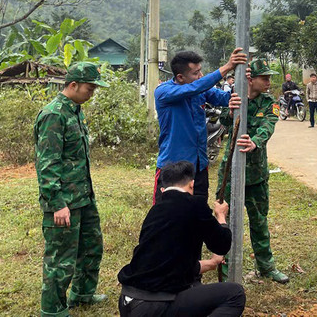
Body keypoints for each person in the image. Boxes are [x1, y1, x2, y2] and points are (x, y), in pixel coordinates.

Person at [117, 161, 246, 317]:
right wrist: (221, 217)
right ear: (192, 184)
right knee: (235, 294)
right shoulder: (195, 205)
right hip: (154, 307)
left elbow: (173, 265)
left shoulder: (155, 211)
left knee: (194, 285)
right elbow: (222, 245)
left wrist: (212, 264)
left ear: (164, 188)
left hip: (128, 302)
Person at [33, 62, 109, 317]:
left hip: (83, 196)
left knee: (92, 246)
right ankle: (53, 310)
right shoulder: (54, 115)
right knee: (60, 259)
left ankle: (83, 293)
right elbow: (47, 163)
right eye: (89, 88)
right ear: (73, 85)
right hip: (64, 200)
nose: (92, 94)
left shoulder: (76, 110)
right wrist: (57, 203)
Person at [217, 58, 289, 284]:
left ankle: (266, 267)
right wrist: (230, 112)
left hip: (256, 174)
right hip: (230, 173)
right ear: (250, 78)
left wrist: (255, 142)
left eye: (269, 78)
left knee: (259, 222)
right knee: (224, 221)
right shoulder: (235, 98)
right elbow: (223, 121)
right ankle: (225, 266)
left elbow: (268, 125)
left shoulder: (270, 102)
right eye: (264, 78)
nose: (268, 82)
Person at [153, 49, 246, 203]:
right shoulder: (164, 92)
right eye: (196, 73)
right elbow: (194, 88)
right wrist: (227, 66)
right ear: (180, 77)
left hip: (199, 165)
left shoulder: (201, 91)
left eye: (200, 71)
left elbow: (224, 98)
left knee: (198, 212)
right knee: (169, 217)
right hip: (173, 168)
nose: (201, 76)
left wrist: (245, 82)